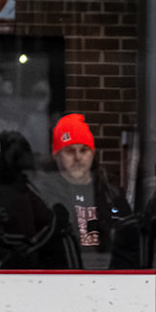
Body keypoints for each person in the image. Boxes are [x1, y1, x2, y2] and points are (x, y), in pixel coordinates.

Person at [42, 112, 137, 270]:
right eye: (70, 151)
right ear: (57, 156)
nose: (78, 158)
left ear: (92, 154)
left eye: (84, 150)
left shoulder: (110, 193)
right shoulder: (44, 194)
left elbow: (129, 243)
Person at [0, 130, 69, 269]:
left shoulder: (29, 187)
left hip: (46, 266)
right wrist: (57, 220)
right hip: (31, 268)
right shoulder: (4, 192)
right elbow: (13, 240)